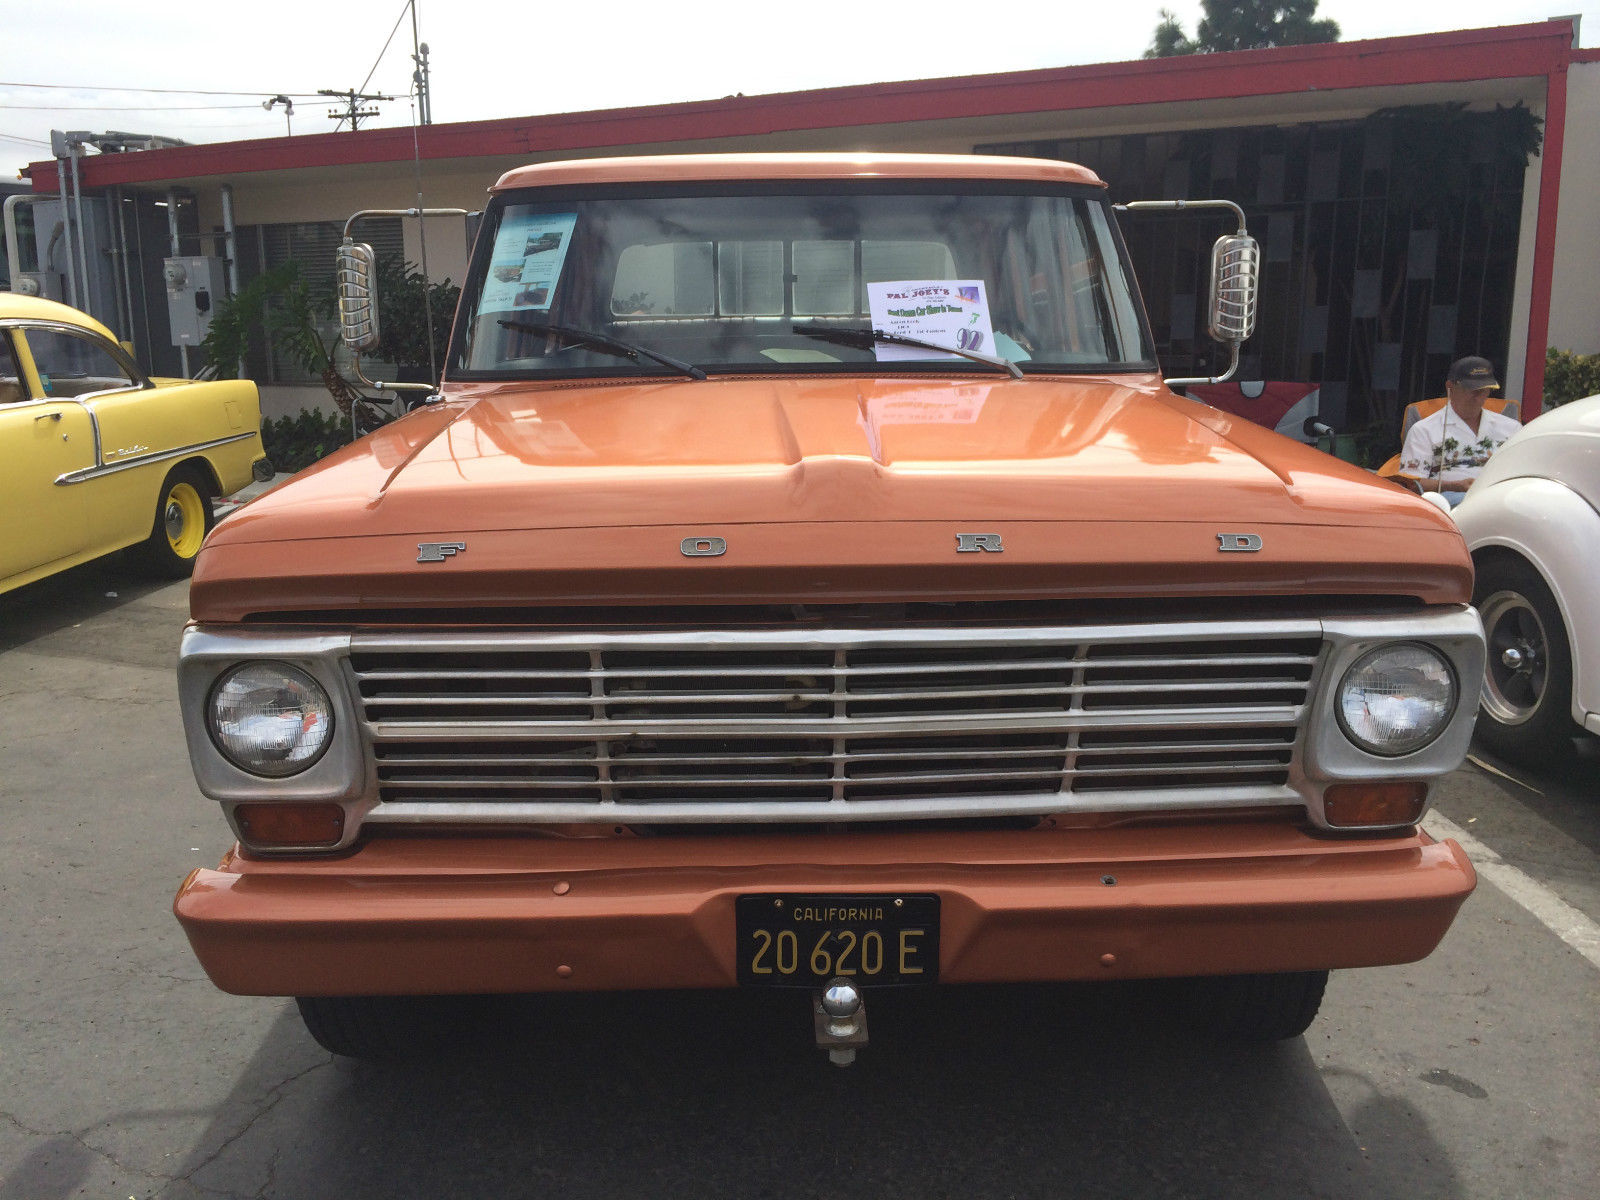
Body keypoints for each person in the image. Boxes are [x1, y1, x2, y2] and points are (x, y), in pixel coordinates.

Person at [1399, 356, 1521, 507]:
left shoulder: (1511, 428)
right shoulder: (1425, 430)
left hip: (1501, 497)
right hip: (1450, 500)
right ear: (1450, 387)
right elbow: (1412, 484)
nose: (1479, 397)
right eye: (1473, 391)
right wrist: (1453, 486)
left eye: (1485, 391)